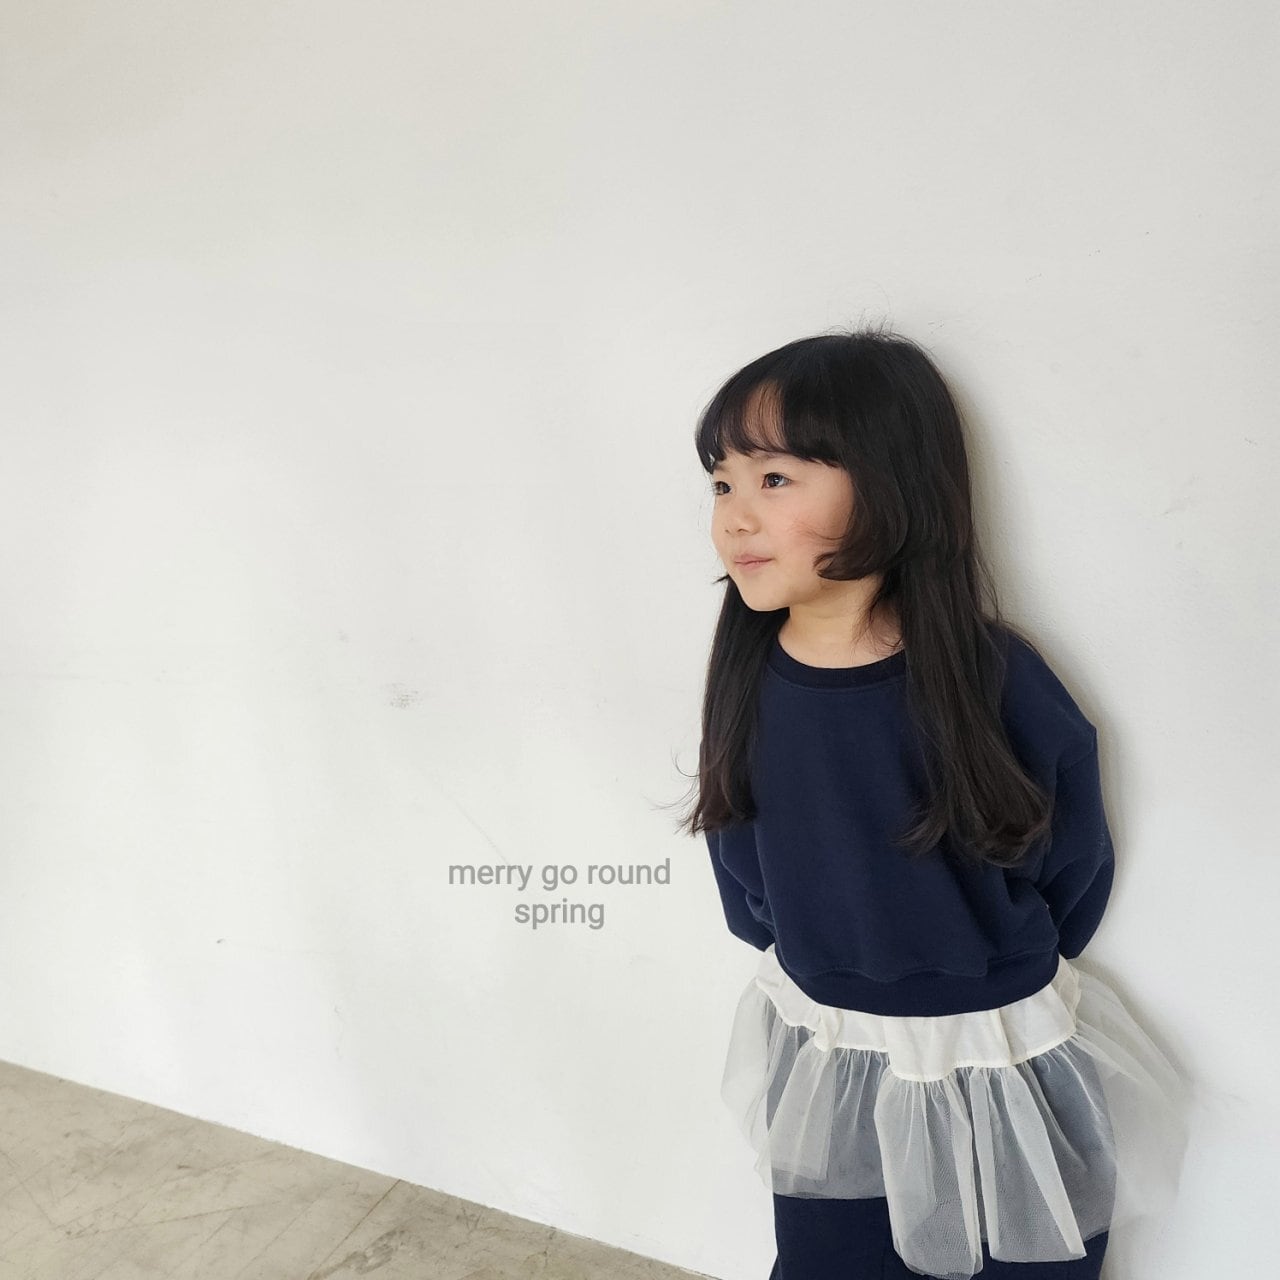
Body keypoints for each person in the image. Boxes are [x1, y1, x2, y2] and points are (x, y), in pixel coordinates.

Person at [681, 328, 1190, 1280]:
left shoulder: (990, 675)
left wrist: (988, 963)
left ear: (889, 484)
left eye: (774, 479)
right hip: (834, 1043)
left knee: (1027, 1261)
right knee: (832, 1258)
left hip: (995, 1047)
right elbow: (739, 843)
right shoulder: (749, 676)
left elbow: (1069, 852)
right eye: (720, 483)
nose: (734, 518)